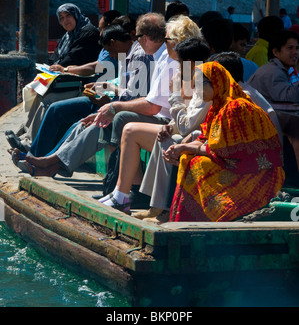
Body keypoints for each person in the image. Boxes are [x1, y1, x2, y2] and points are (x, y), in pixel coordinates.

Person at [13, 13, 177, 177]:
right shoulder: (157, 55)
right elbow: (137, 92)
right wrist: (109, 94)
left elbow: (150, 104)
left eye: (168, 39)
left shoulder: (158, 57)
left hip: (154, 115)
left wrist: (113, 105)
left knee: (101, 122)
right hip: (131, 105)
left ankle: (50, 163)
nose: (136, 41)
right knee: (84, 122)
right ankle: (49, 162)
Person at [135, 51, 283, 223]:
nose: (196, 90)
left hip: (258, 171)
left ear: (216, 82)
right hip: (237, 162)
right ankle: (183, 216)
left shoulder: (236, 106)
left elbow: (221, 148)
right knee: (187, 158)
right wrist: (182, 148)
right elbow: (207, 135)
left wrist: (183, 147)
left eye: (200, 84)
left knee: (198, 164)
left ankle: (220, 213)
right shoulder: (218, 105)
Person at [97, 34, 209, 213]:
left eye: (180, 62)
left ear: (189, 62)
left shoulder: (204, 83)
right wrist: (169, 126)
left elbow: (189, 125)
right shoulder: (190, 77)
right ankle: (121, 193)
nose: (178, 66)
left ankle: (132, 199)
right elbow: (184, 118)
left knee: (134, 130)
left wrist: (175, 96)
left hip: (195, 138)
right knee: (129, 129)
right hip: (181, 130)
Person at [10, 23, 152, 160]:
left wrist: (109, 94)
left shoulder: (138, 57)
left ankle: (42, 161)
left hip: (114, 104)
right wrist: (103, 87)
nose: (110, 55)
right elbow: (121, 83)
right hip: (106, 99)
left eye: (109, 51)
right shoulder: (123, 55)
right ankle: (36, 156)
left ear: (113, 43)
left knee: (78, 125)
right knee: (55, 109)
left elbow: (134, 96)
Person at [247, 29, 299, 169]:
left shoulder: (279, 69)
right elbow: (289, 98)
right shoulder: (273, 72)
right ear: (276, 52)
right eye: (290, 48)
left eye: (297, 48)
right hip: (259, 123)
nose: (295, 52)